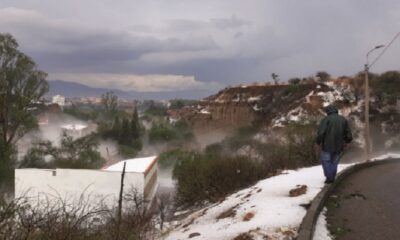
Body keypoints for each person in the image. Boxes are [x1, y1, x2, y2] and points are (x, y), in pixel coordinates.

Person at [315, 105, 352, 184]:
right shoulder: (343, 119)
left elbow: (321, 133)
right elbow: (348, 133)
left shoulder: (326, 119)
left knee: (326, 161)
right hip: (339, 146)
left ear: (328, 111)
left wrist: (318, 142)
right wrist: (347, 141)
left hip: (327, 146)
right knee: (334, 162)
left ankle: (329, 178)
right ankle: (332, 176)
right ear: (336, 110)